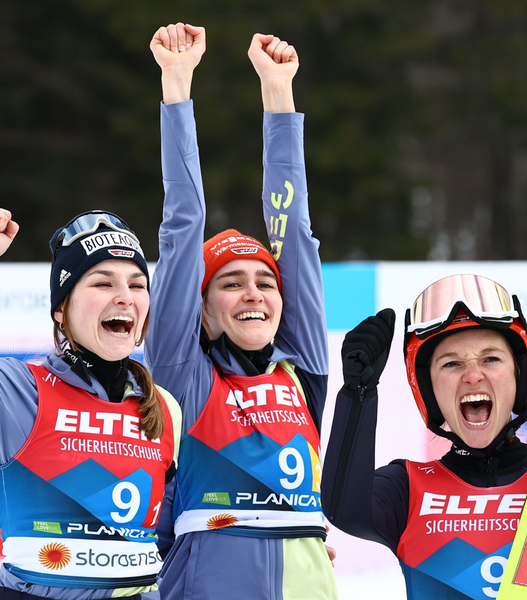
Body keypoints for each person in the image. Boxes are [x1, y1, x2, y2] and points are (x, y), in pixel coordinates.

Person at [146, 23, 335, 600]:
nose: (254, 293)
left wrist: (279, 94)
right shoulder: (184, 379)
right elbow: (182, 230)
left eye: (264, 283)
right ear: (202, 313)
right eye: (230, 283)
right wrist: (176, 85)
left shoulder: (301, 369)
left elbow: (293, 235)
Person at [322, 273, 527, 599]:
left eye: (490, 359)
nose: (473, 376)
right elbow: (343, 510)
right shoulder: (406, 487)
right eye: (451, 364)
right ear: (430, 391)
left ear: (519, 375)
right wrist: (358, 396)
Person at [0, 208, 181, 599]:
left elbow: (176, 533)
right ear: (61, 309)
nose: (124, 297)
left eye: (137, 284)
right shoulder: (19, 391)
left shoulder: (163, 407)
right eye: (103, 283)